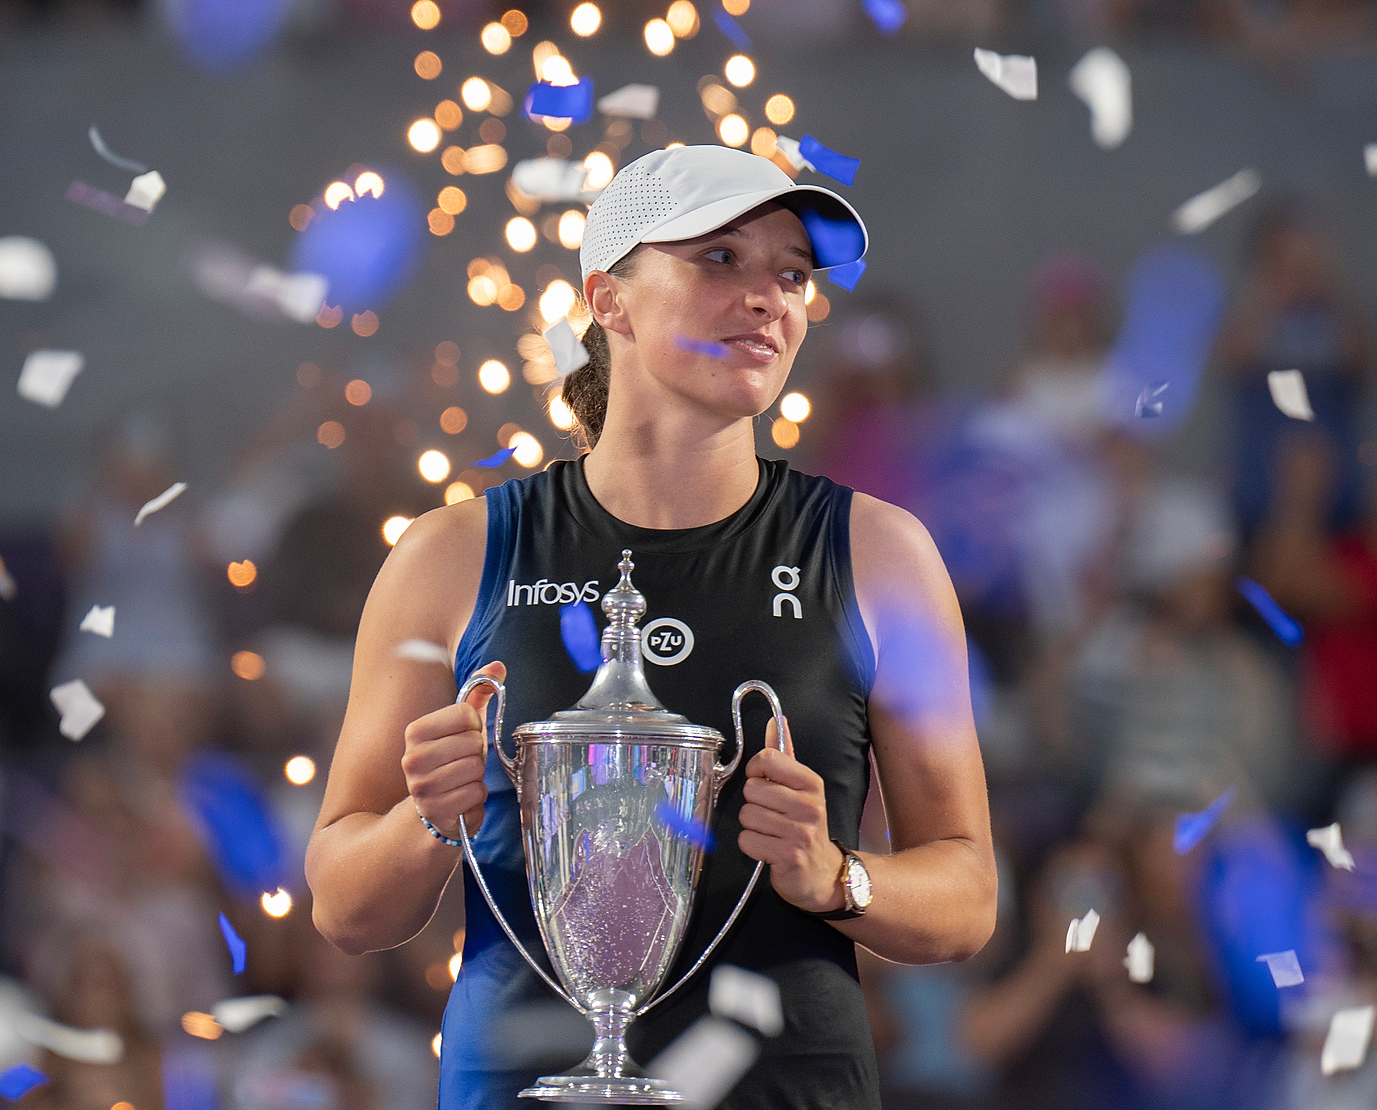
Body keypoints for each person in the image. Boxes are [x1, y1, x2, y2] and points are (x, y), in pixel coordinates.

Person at [305, 145, 998, 1109]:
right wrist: (431, 821)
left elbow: (966, 897)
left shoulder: (881, 555)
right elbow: (344, 907)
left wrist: (838, 877)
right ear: (610, 299)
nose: (770, 298)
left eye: (793, 274)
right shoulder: (453, 555)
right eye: (722, 260)